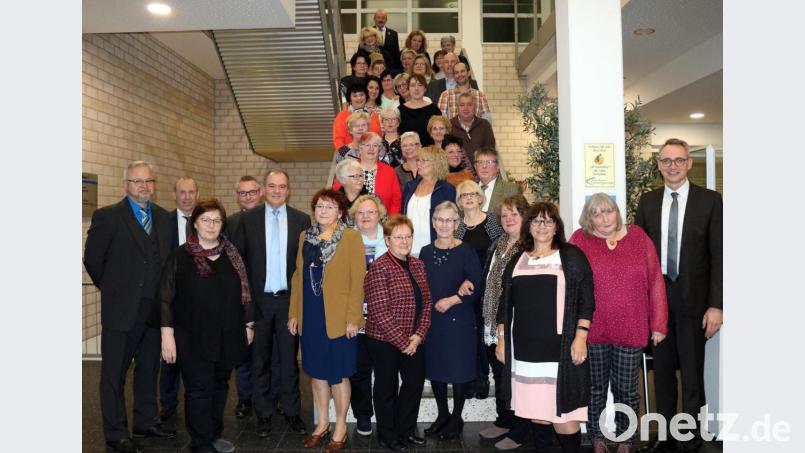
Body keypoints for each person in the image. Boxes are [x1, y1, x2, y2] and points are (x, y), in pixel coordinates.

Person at [634, 138, 722, 453]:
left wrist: (716, 305)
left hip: (696, 304)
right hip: (657, 304)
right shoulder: (646, 202)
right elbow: (639, 256)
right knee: (663, 374)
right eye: (666, 160)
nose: (672, 165)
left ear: (688, 164)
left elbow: (719, 256)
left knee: (693, 374)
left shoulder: (710, 201)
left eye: (678, 160)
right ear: (658, 165)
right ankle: (668, 437)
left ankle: (694, 438)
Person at [84, 161, 176, 453]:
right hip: (121, 311)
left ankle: (145, 421)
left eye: (149, 181)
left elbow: (169, 261)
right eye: (137, 182)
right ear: (126, 185)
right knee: (114, 374)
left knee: (149, 369)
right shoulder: (108, 216)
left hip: (154, 311)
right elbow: (93, 261)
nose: (144, 186)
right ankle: (115, 432)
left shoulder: (163, 218)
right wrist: (113, 289)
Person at [569, 193, 669, 453]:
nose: (604, 219)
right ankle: (597, 436)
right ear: (588, 218)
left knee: (627, 389)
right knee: (595, 389)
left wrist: (658, 323)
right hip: (593, 329)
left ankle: (626, 438)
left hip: (632, 326)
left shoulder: (638, 237)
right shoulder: (580, 239)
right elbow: (568, 282)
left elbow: (656, 279)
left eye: (609, 211)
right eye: (597, 214)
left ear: (617, 212)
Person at [496, 202, 595, 453]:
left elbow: (587, 299)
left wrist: (581, 336)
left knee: (564, 416)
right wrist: (502, 338)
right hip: (525, 352)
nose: (542, 226)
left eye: (548, 221)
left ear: (556, 227)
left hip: (559, 351)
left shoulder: (571, 256)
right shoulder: (517, 260)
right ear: (528, 226)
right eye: (537, 221)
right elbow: (504, 303)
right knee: (536, 413)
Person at [159, 198, 254, 453]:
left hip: (227, 335)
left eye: (216, 220)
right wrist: (167, 335)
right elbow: (166, 298)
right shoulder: (180, 256)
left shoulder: (232, 254)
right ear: (195, 223)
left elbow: (245, 293)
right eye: (205, 220)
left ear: (222, 224)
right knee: (198, 389)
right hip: (191, 337)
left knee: (220, 386)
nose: (211, 225)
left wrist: (249, 325)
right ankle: (200, 442)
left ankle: (213, 434)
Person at [231, 170, 311, 438]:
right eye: (272, 186)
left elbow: (304, 267)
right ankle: (263, 414)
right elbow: (239, 266)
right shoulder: (247, 220)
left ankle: (291, 412)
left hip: (289, 302)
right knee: (259, 361)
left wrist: (300, 306)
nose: (277, 191)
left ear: (289, 190)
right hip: (259, 302)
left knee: (289, 360)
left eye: (282, 186)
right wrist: (245, 308)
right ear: (264, 189)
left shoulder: (301, 220)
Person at [287, 189, 365, 453]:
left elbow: (358, 281)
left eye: (330, 207)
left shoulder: (351, 238)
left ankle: (340, 425)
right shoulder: (305, 238)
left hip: (339, 317)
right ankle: (322, 423)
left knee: (338, 374)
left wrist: (355, 317)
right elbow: (298, 276)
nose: (323, 211)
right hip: (311, 314)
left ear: (340, 212)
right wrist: (294, 313)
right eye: (320, 206)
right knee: (316, 371)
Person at [364, 215, 433, 452]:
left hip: (414, 339)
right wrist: (405, 342)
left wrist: (419, 336)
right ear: (387, 239)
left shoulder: (417, 264)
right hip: (385, 341)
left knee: (413, 385)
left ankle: (406, 430)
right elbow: (380, 312)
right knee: (386, 388)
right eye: (398, 237)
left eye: (408, 236)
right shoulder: (379, 268)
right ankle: (388, 434)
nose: (404, 241)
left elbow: (426, 304)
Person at [420, 201, 482, 439]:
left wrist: (453, 299)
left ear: (457, 223)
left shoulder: (466, 251)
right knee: (435, 368)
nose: (444, 224)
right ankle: (442, 414)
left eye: (449, 220)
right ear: (433, 222)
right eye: (440, 220)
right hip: (433, 321)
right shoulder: (426, 251)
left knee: (458, 369)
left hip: (459, 319)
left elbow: (475, 286)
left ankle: (456, 418)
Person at [475, 196, 532, 451]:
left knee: (514, 377)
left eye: (514, 215)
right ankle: (505, 419)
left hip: (513, 322)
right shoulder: (499, 243)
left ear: (525, 217)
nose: (508, 219)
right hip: (491, 319)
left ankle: (521, 430)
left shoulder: (527, 247)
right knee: (499, 374)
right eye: (505, 215)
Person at [226, 175, 281, 420]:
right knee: (245, 354)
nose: (247, 197)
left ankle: (274, 396)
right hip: (244, 299)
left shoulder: (272, 219)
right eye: (242, 193)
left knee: (274, 352)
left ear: (259, 193)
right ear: (237, 196)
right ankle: (245, 399)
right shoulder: (231, 223)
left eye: (252, 192)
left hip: (270, 296)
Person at [453, 180, 504, 402]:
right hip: (467, 289)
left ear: (481, 197)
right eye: (464, 195)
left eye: (473, 193)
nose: (469, 198)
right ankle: (478, 378)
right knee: (472, 336)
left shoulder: (492, 220)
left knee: (490, 336)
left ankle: (494, 379)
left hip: (493, 288)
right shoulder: (457, 226)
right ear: (459, 201)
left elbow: (503, 250)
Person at [158, 176, 199, 423]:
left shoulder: (206, 221)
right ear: (175, 194)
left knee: (196, 357)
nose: (186, 197)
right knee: (169, 357)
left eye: (191, 192)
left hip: (198, 301)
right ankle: (168, 404)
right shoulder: (162, 222)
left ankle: (195, 403)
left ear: (197, 193)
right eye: (182, 192)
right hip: (171, 299)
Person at [347, 194, 389, 437]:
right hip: (357, 315)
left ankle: (386, 414)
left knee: (384, 369)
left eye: (370, 212)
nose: (365, 216)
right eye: (360, 212)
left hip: (384, 315)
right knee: (360, 368)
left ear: (379, 214)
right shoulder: (347, 240)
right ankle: (363, 413)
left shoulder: (390, 238)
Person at [402, 145, 456, 258]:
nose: (418, 163)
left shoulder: (446, 189)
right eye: (418, 160)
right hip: (408, 249)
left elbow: (452, 222)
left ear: (436, 163)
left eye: (423, 160)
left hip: (435, 250)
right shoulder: (409, 187)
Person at [333, 132, 402, 216]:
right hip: (351, 224)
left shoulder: (390, 172)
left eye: (375, 145)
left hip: (381, 224)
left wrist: (389, 223)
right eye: (367, 145)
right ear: (360, 148)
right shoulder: (348, 168)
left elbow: (396, 201)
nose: (371, 149)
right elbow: (335, 196)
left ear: (379, 149)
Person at [333, 84, 382, 152]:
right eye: (355, 96)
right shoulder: (342, 115)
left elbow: (380, 137)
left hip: (373, 155)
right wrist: (347, 154)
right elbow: (338, 139)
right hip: (349, 157)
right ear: (349, 98)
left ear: (366, 96)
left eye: (361, 95)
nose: (359, 98)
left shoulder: (374, 114)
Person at [450, 93, 496, 166]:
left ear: (475, 107)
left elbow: (490, 150)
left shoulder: (484, 125)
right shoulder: (449, 125)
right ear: (457, 108)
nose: (466, 108)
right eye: (462, 105)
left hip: (481, 171)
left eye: (469, 104)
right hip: (456, 173)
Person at [399, 74, 442, 147]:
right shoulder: (400, 110)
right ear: (408, 89)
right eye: (413, 85)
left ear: (425, 88)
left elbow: (441, 133)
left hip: (430, 153)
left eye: (420, 85)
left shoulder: (434, 109)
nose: (416, 88)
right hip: (409, 153)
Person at [474, 147, 522, 214]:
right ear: (475, 166)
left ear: (498, 167)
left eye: (489, 162)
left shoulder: (511, 190)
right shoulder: (468, 190)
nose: (484, 166)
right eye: (480, 162)